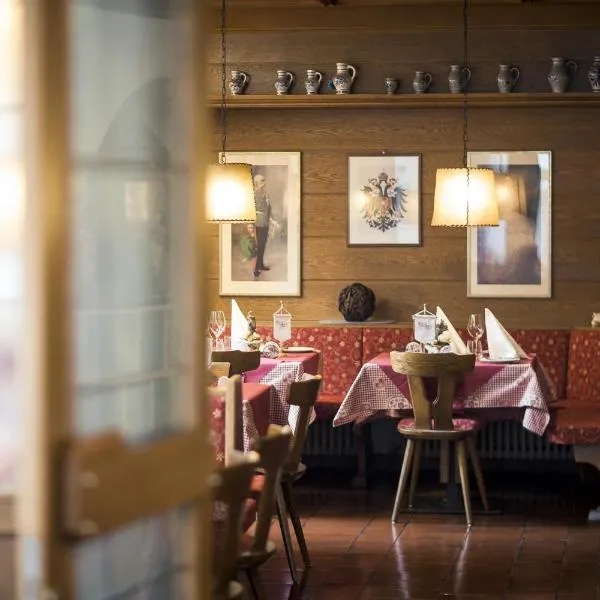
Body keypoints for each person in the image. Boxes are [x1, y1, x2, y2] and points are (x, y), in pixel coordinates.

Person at [253, 173, 271, 278]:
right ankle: (256, 269)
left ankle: (261, 264)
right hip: (260, 221)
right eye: (262, 181)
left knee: (263, 244)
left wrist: (270, 219)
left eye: (264, 180)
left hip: (265, 221)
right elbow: (258, 208)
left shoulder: (264, 192)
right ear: (257, 182)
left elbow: (269, 207)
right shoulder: (256, 193)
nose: (264, 182)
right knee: (260, 245)